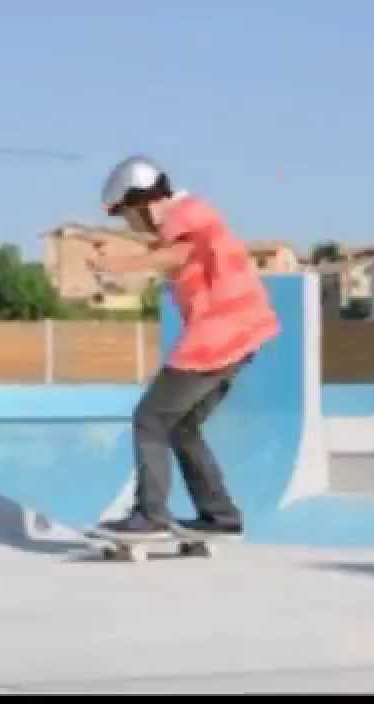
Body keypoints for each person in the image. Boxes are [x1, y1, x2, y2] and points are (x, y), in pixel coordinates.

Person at [88, 156, 280, 538]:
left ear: (143, 201)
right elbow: (174, 254)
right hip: (240, 338)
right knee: (181, 425)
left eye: (128, 214)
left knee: (150, 419)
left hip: (216, 338)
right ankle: (220, 515)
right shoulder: (193, 216)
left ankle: (150, 515)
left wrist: (122, 264)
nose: (130, 224)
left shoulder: (186, 213)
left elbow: (178, 255)